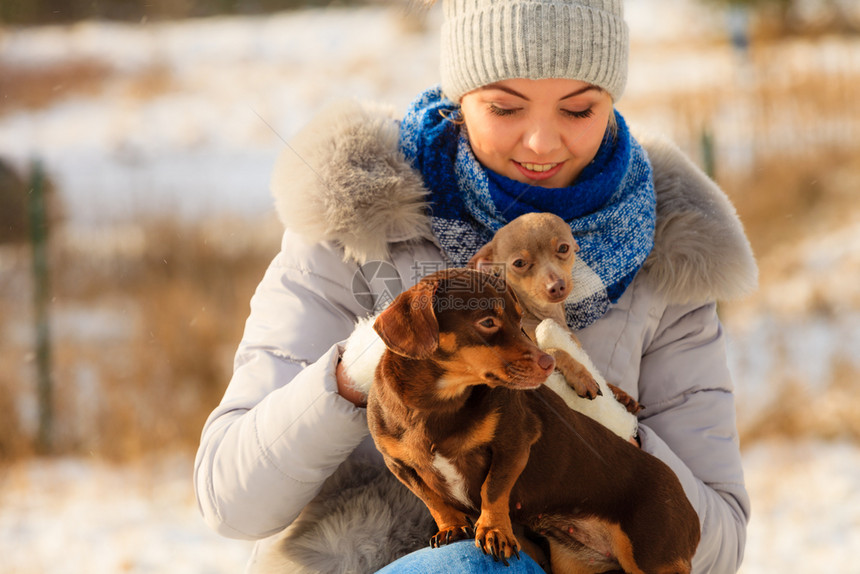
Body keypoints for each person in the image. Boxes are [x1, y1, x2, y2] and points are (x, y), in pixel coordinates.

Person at [194, 0, 758, 572]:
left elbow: (719, 545)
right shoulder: (355, 233)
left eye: (579, 109)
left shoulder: (665, 259)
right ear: (461, 100)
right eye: (504, 107)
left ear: (612, 104)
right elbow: (230, 503)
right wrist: (363, 367)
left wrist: (605, 428)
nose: (541, 142)